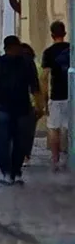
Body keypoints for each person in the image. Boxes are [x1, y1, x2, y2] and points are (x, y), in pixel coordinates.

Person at [0, 34, 40, 185]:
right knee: (11, 141)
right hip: (11, 107)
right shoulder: (21, 63)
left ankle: (12, 172)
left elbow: (34, 87)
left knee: (13, 142)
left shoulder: (7, 62)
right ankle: (10, 172)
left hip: (13, 107)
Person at [42, 20, 71, 170]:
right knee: (70, 127)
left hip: (56, 95)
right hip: (71, 94)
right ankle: (69, 157)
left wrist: (45, 97)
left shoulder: (48, 52)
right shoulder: (71, 50)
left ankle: (55, 160)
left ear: (52, 35)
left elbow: (45, 77)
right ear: (64, 33)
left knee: (54, 128)